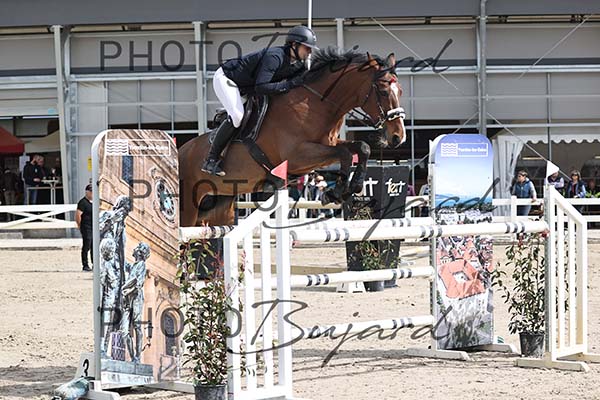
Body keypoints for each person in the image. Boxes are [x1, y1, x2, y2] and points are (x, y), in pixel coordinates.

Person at [201, 25, 318, 176]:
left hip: (248, 86)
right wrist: (289, 84)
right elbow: (261, 87)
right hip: (228, 79)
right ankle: (211, 160)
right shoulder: (275, 57)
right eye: (307, 48)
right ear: (294, 45)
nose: (309, 52)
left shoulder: (298, 65)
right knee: (237, 116)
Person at [76, 184, 94, 271]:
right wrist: (79, 225)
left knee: (94, 246)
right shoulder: (82, 202)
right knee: (87, 245)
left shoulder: (94, 202)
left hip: (93, 227)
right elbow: (78, 215)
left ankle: (94, 263)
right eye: (91, 192)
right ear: (87, 192)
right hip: (86, 226)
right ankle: (85, 264)